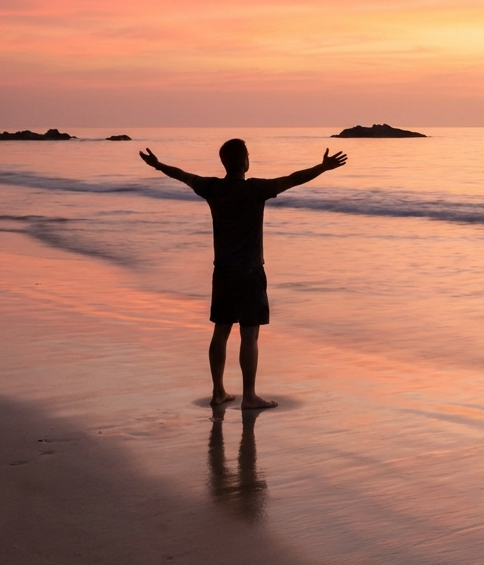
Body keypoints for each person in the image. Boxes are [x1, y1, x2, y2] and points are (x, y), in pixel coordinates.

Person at [140, 139, 347, 408]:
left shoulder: (212, 187)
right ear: (246, 161)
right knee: (249, 334)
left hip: (222, 271)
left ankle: (218, 392)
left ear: (224, 162)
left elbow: (182, 175)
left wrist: (158, 165)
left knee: (221, 329)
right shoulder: (256, 189)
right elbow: (294, 179)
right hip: (249, 271)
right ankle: (248, 396)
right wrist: (322, 167)